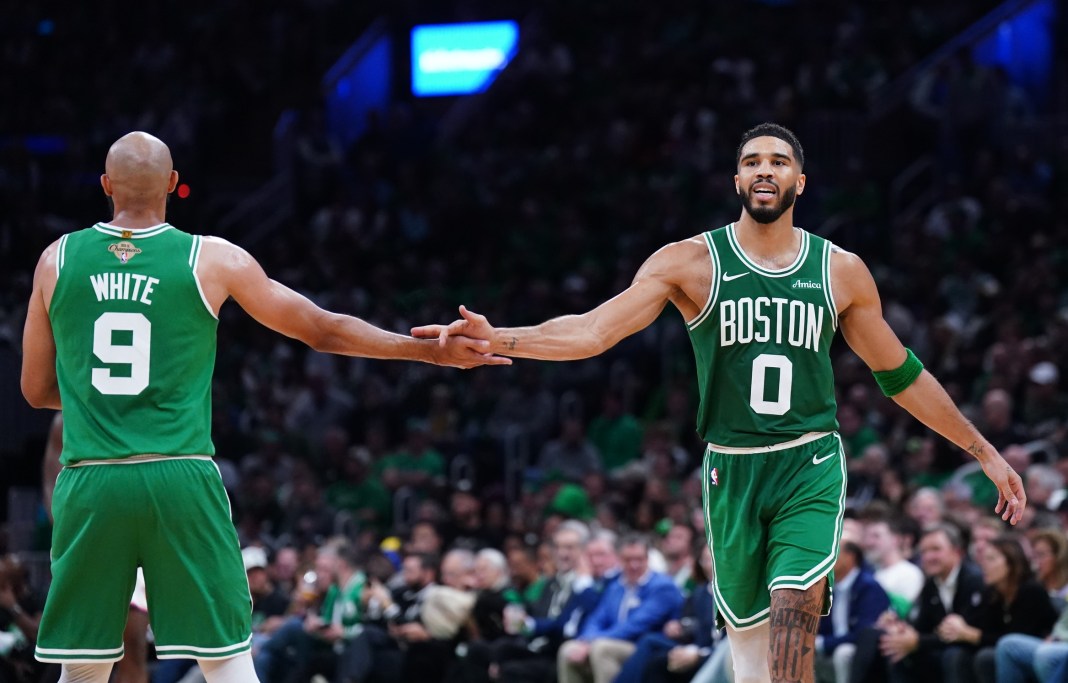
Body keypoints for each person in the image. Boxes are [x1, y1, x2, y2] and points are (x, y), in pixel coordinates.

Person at [414, 122, 1027, 683]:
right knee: (752, 661)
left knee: (795, 616)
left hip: (808, 461)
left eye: (779, 162)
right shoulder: (688, 262)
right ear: (736, 179)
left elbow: (902, 374)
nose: (766, 170)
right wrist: (502, 338)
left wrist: (983, 451)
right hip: (729, 468)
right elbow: (593, 332)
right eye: (753, 161)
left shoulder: (839, 271)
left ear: (800, 181)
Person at [20, 131, 508, 683]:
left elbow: (36, 390)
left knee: (82, 669)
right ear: (175, 185)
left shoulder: (55, 260)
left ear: (105, 186)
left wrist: (105, 402)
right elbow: (322, 330)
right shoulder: (214, 258)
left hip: (92, 479)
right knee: (225, 661)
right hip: (180, 475)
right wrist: (427, 352)